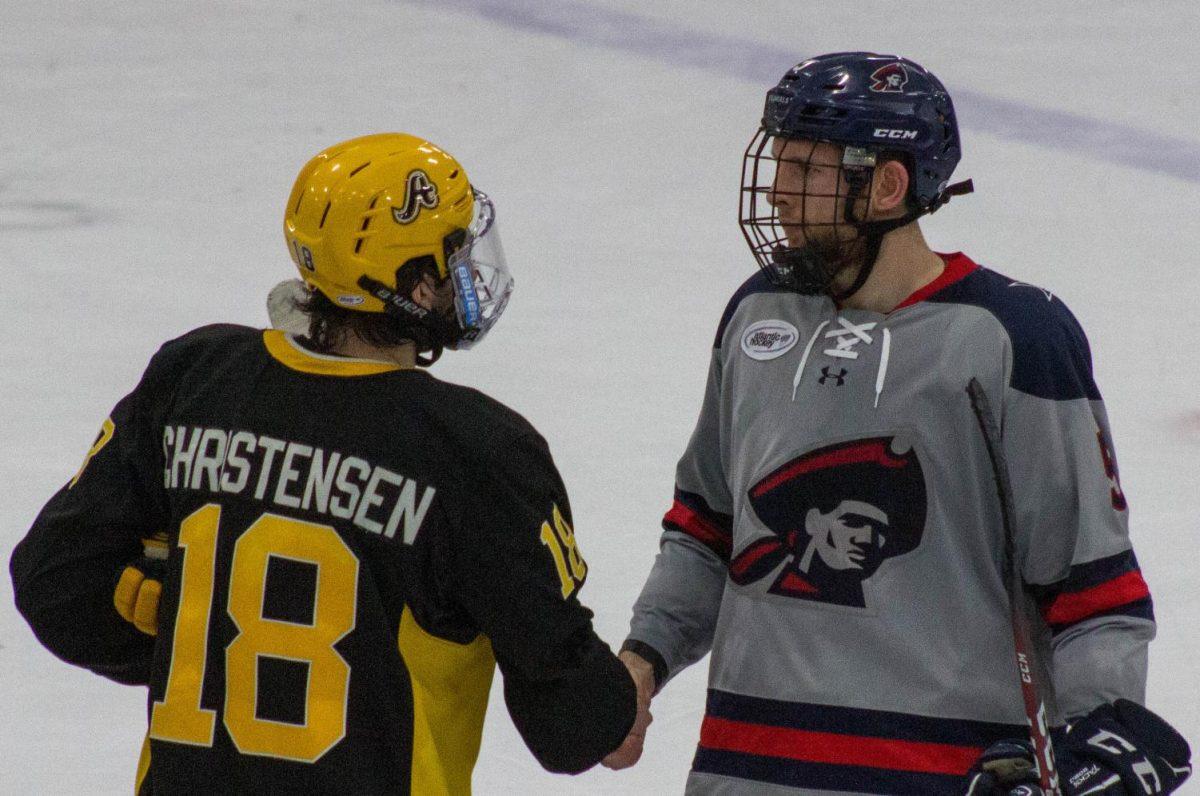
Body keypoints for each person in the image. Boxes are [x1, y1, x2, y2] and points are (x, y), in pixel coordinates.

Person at [611, 53, 1191, 794]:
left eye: (804, 169)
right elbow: (706, 524)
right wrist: (643, 660)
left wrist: (1094, 745)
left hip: (945, 777)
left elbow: (1092, 592)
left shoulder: (1014, 338)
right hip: (744, 771)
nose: (779, 193)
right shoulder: (759, 313)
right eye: (778, 162)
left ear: (885, 185)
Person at [10, 133, 649, 794]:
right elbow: (571, 725)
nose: (468, 274)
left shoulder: (196, 378)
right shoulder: (478, 451)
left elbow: (57, 584)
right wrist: (618, 698)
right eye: (453, 256)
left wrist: (203, 631)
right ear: (417, 288)